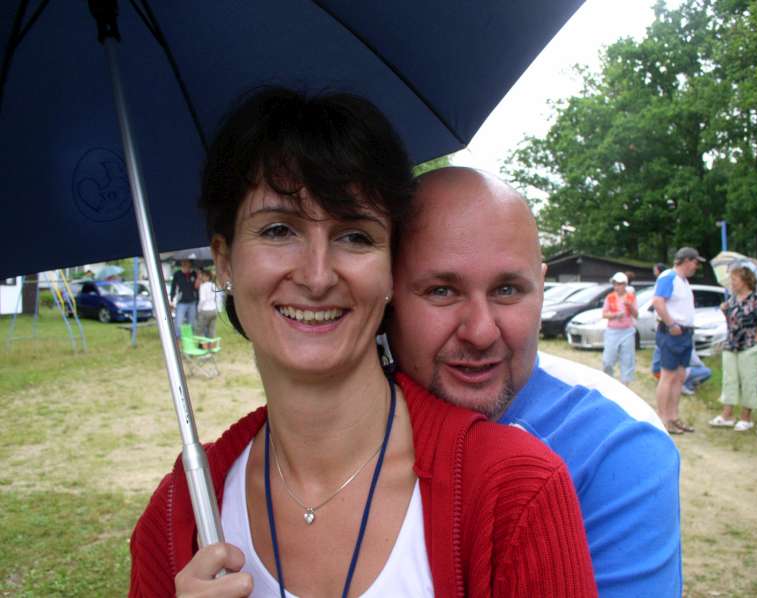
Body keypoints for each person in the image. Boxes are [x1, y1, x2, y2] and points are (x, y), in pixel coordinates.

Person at [129, 89, 596, 597]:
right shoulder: (180, 515)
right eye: (279, 230)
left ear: (391, 270)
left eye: (354, 235)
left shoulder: (515, 491)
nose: (316, 276)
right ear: (224, 260)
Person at [389, 166, 682, 597]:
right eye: (442, 291)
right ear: (386, 294)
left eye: (507, 290)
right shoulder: (339, 426)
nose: (481, 332)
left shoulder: (614, 449)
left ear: (541, 289)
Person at [652, 247, 705, 435]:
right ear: (687, 260)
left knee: (680, 376)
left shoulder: (683, 281)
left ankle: (673, 417)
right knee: (668, 375)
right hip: (672, 333)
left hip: (685, 333)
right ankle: (662, 419)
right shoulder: (669, 277)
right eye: (695, 262)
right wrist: (671, 324)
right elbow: (658, 301)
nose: (696, 267)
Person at [709, 266, 757, 431]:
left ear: (745, 281)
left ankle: (746, 418)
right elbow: (732, 322)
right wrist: (724, 311)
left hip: (749, 345)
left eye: (734, 280)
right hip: (731, 344)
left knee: (748, 380)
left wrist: (756, 341)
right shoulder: (732, 299)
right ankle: (727, 415)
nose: (732, 283)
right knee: (729, 379)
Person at [601, 272, 638, 386]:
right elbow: (604, 314)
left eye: (620, 284)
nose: (617, 287)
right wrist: (615, 315)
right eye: (615, 284)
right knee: (608, 360)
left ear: (625, 284)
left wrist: (629, 306)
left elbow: (636, 315)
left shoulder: (631, 297)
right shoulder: (610, 297)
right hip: (612, 331)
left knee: (627, 359)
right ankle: (608, 382)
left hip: (627, 331)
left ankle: (625, 385)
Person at [650, 262, 668, 377]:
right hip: (660, 320)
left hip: (662, 321)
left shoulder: (663, 282)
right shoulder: (660, 281)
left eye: (655, 269)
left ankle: (659, 372)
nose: (653, 272)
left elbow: (658, 300)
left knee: (660, 348)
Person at [170, 259, 198, 332]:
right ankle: (177, 337)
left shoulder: (194, 274)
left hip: (192, 302)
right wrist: (171, 299)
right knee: (178, 323)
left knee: (192, 323)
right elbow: (173, 287)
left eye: (188, 263)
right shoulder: (177, 274)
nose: (186, 265)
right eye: (184, 263)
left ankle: (190, 337)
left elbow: (197, 288)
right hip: (181, 302)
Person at [195, 269, 218, 339]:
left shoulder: (203, 286)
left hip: (205, 310)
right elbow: (217, 297)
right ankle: (212, 345)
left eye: (203, 276)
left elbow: (202, 299)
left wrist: (199, 308)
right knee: (212, 331)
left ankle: (202, 345)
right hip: (214, 310)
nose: (202, 277)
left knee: (200, 330)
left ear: (207, 277)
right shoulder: (213, 285)